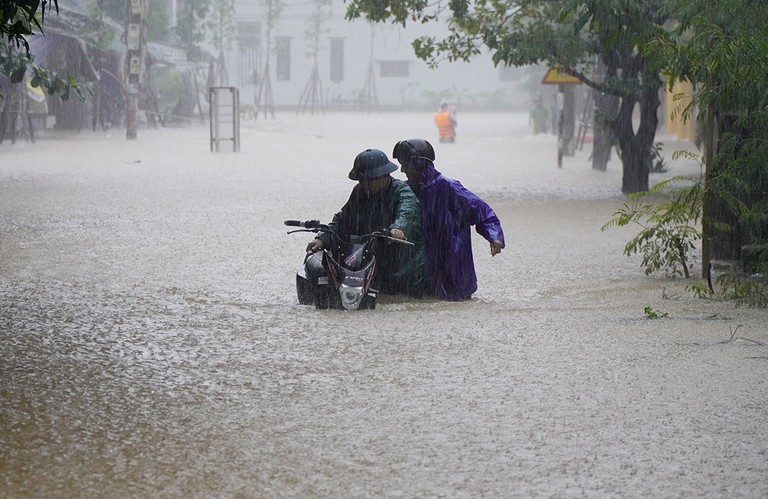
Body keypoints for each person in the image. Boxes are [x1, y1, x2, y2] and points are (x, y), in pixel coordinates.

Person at [392, 138, 505, 301]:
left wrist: (495, 237)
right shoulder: (405, 191)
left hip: (454, 268)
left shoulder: (450, 188)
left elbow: (482, 211)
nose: (402, 170)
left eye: (405, 164)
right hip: (422, 272)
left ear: (419, 163)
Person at [306, 148, 426, 298]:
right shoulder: (359, 192)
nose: (365, 184)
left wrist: (397, 229)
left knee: (403, 302)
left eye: (369, 180)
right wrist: (322, 237)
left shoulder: (402, 192)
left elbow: (407, 213)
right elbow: (343, 218)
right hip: (373, 258)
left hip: (405, 264)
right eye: (361, 180)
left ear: (384, 176)